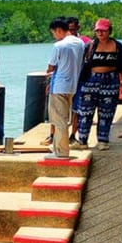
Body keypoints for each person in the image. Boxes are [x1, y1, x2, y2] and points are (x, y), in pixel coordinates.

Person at [73, 18, 122, 151]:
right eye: (98, 31)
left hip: (110, 81)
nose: (100, 33)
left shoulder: (117, 46)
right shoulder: (90, 46)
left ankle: (103, 140)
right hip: (90, 82)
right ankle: (82, 141)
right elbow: (81, 65)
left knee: (107, 112)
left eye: (103, 31)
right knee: (85, 112)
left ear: (109, 31)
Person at [44, 17, 84, 158]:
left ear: (59, 30)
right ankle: (59, 149)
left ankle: (61, 152)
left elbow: (51, 66)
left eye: (54, 33)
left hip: (59, 86)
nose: (54, 36)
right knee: (65, 118)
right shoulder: (80, 43)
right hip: (72, 85)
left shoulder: (59, 46)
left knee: (58, 119)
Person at [66, 16, 90, 145]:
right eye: (68, 29)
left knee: (77, 109)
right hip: (65, 81)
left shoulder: (86, 42)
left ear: (78, 28)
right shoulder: (62, 42)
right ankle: (55, 135)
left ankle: (73, 134)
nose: (70, 32)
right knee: (62, 110)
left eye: (73, 29)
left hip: (81, 81)